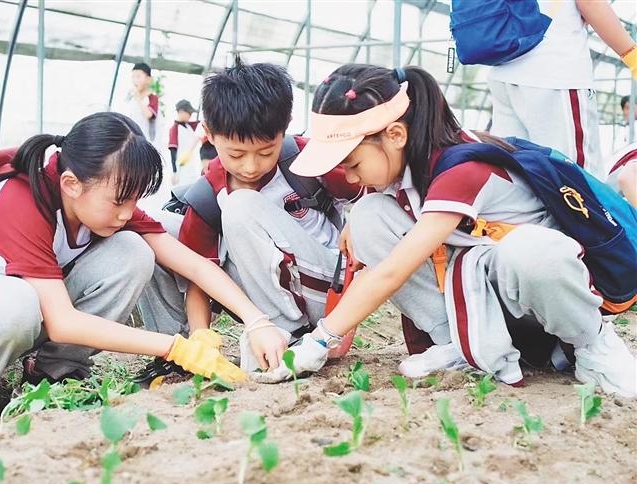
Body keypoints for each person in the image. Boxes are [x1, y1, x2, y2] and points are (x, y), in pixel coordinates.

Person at [252, 64, 636, 400]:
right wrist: (358, 216)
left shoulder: (460, 171)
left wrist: (321, 340)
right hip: (491, 292)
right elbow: (376, 235)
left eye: (353, 163)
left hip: (547, 300)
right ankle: (459, 342)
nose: (349, 178)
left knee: (529, 251)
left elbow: (391, 271)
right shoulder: (405, 169)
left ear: (396, 135)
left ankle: (593, 344)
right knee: (369, 216)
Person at [0, 112, 286, 427]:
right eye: (120, 201)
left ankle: (53, 373)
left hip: (24, 304)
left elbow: (192, 263)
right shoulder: (18, 203)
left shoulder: (101, 201)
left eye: (134, 200)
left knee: (133, 251)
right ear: (71, 184)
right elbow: (62, 321)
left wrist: (256, 321)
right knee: (16, 304)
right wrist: (176, 348)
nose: (127, 212)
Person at [140, 61, 361, 375]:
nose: (250, 166)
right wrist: (201, 334)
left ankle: (291, 334)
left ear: (285, 128)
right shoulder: (207, 194)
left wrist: (356, 222)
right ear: (209, 135)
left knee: (241, 205)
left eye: (265, 151)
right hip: (264, 288)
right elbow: (198, 277)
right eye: (236, 154)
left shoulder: (306, 158)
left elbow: (369, 190)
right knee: (161, 231)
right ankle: (179, 353)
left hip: (324, 288)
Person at [488, 1, 637, 179]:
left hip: (502, 73)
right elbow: (590, 4)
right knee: (576, 182)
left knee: (516, 180)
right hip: (554, 74)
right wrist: (633, 57)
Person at [123, 62, 162, 144]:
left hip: (146, 141)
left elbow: (149, 115)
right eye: (133, 77)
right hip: (131, 141)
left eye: (138, 76)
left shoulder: (152, 98)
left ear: (149, 79)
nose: (135, 80)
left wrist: (139, 99)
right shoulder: (131, 99)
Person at [168, 100, 203, 185]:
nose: (191, 115)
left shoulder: (189, 126)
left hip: (192, 164)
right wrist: (174, 172)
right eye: (189, 112)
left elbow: (201, 124)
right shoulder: (174, 129)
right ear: (181, 112)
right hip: (181, 166)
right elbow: (173, 151)